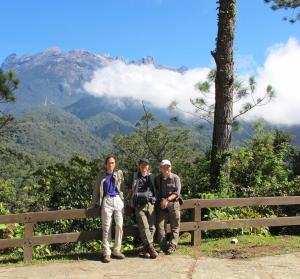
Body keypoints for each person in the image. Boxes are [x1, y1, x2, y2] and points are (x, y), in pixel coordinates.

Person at [91, 155, 125, 263]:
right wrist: (93, 204)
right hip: (106, 201)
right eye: (109, 163)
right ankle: (107, 252)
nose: (111, 165)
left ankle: (117, 250)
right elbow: (96, 189)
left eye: (113, 163)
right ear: (106, 164)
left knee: (119, 225)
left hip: (118, 200)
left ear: (115, 164)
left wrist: (125, 200)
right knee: (106, 227)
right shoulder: (101, 175)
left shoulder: (119, 173)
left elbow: (123, 187)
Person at [129, 158, 158, 259]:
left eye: (146, 165)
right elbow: (130, 189)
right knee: (144, 227)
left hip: (150, 204)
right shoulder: (135, 176)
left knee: (152, 227)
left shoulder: (152, 177)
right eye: (142, 164)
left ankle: (147, 249)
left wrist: (155, 198)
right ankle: (151, 247)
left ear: (148, 166)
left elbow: (156, 189)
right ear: (139, 165)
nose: (144, 166)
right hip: (139, 204)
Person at [155, 159, 181, 255]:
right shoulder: (158, 179)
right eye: (164, 166)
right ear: (160, 168)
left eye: (168, 166)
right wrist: (161, 201)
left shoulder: (175, 178)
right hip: (162, 205)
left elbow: (177, 192)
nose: (166, 168)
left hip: (174, 204)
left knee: (175, 226)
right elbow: (156, 192)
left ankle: (172, 246)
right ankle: (163, 247)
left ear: (171, 167)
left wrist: (167, 200)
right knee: (161, 226)